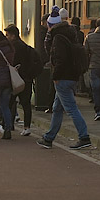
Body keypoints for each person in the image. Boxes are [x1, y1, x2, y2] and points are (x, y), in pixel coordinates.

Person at [36, 12, 91, 150]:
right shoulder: (70, 34)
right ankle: (49, 138)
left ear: (50, 25)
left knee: (71, 108)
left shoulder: (58, 39)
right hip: (72, 76)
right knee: (57, 108)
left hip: (63, 78)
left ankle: (84, 137)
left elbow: (59, 60)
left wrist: (55, 77)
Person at [6, 24, 42, 136]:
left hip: (16, 79)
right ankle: (27, 127)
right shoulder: (26, 47)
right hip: (27, 79)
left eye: (7, 35)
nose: (6, 37)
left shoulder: (13, 48)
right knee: (26, 104)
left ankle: (8, 124)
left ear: (13, 36)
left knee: (10, 102)